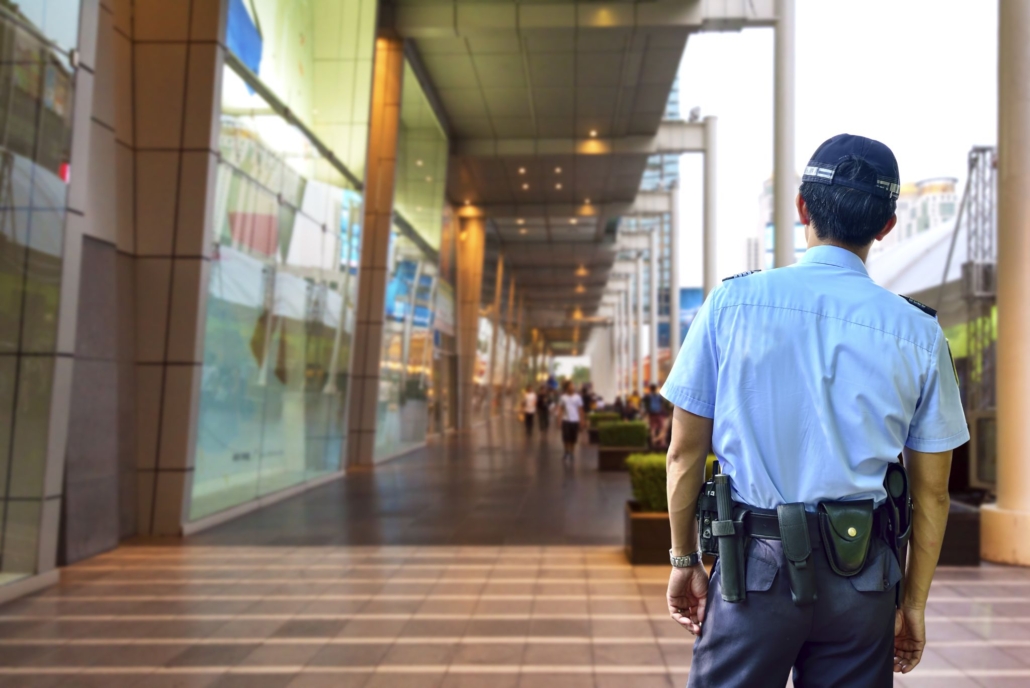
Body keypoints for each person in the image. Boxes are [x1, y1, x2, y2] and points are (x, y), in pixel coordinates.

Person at [661, 135, 968, 687]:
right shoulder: (919, 333)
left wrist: (684, 560)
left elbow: (683, 453)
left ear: (802, 207)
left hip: (750, 571)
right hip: (864, 576)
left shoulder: (729, 305)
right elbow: (933, 493)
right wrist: (913, 603)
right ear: (886, 226)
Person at [556, 380, 584, 462]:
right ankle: (566, 452)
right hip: (566, 420)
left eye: (573, 386)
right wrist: (559, 420)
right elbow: (561, 409)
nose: (572, 387)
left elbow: (580, 409)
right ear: (567, 388)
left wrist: (582, 420)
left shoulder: (578, 397)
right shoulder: (563, 397)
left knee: (573, 438)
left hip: (575, 420)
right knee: (565, 437)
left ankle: (572, 452)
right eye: (571, 386)